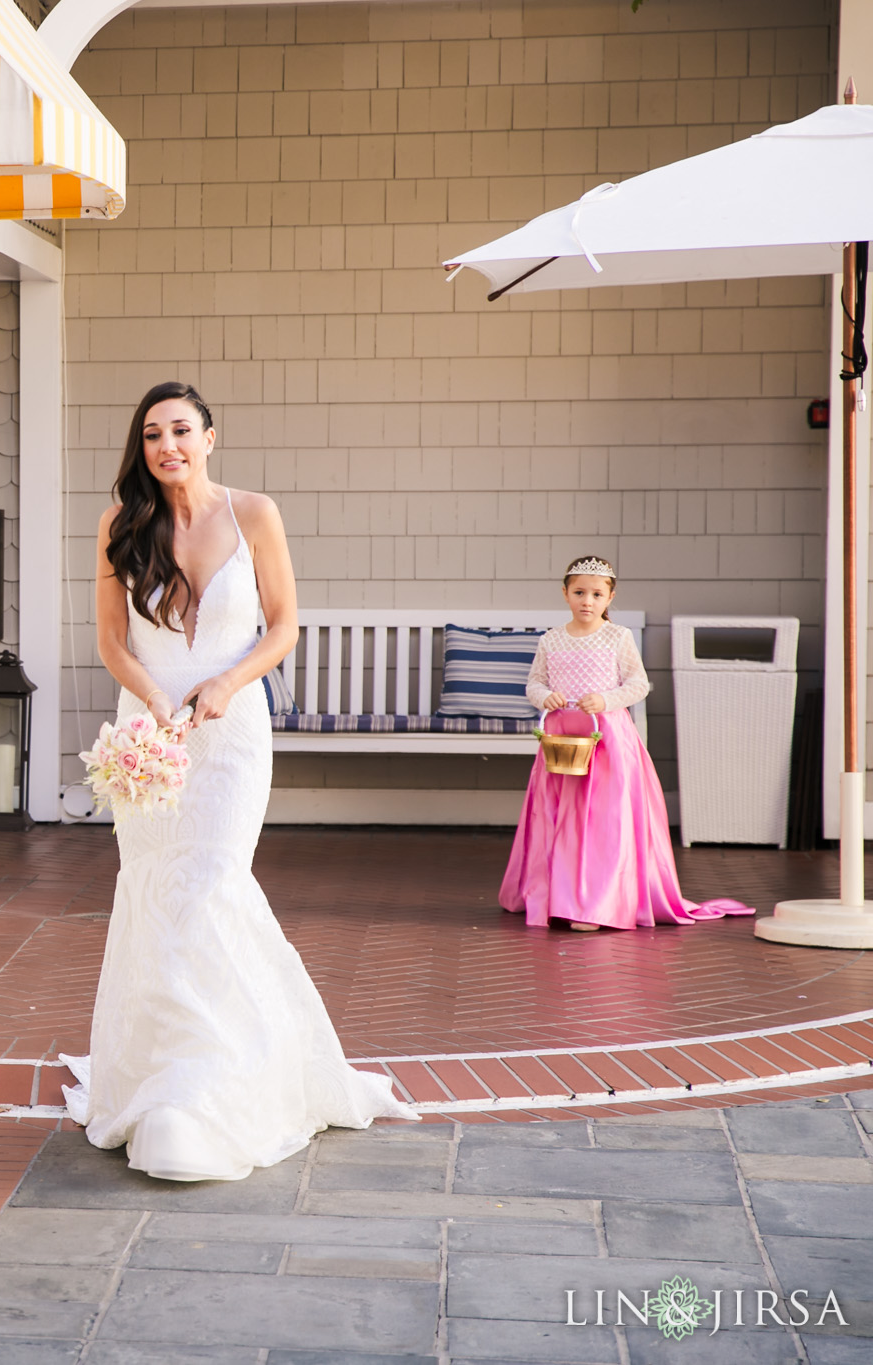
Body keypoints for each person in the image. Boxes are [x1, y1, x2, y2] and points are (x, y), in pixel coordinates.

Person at [61, 381, 415, 1183]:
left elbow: (282, 623)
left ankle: (218, 1080)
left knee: (213, 884)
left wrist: (225, 685)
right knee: (152, 887)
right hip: (147, 728)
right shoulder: (122, 526)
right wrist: (153, 701)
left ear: (210, 437)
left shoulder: (254, 513)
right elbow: (113, 640)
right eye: (151, 433)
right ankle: (161, 1080)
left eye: (181, 429)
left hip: (230, 732)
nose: (166, 445)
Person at [499, 556, 753, 931]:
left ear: (610, 597)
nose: (587, 600)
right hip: (564, 740)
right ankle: (558, 895)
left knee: (602, 820)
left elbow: (637, 684)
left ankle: (595, 904)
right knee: (562, 818)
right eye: (580, 592)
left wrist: (604, 700)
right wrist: (545, 696)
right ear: (566, 594)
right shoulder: (551, 639)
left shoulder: (617, 637)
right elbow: (534, 683)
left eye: (597, 594)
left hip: (607, 741)